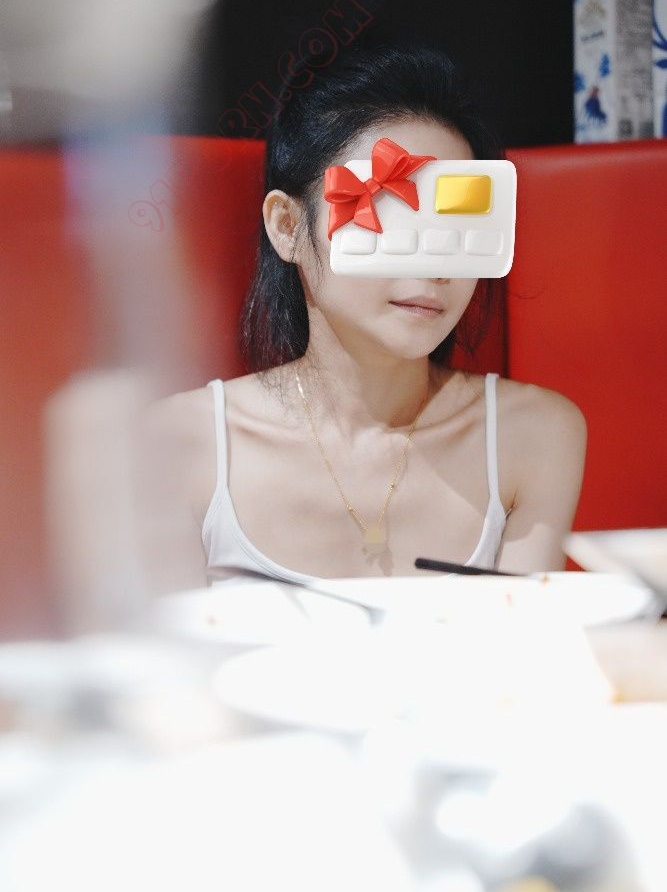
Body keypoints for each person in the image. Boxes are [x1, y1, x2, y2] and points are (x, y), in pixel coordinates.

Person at [136, 42, 587, 595]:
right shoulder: (177, 443)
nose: (433, 267)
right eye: (390, 218)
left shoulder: (533, 435)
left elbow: (523, 645)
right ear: (287, 227)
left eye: (456, 226)